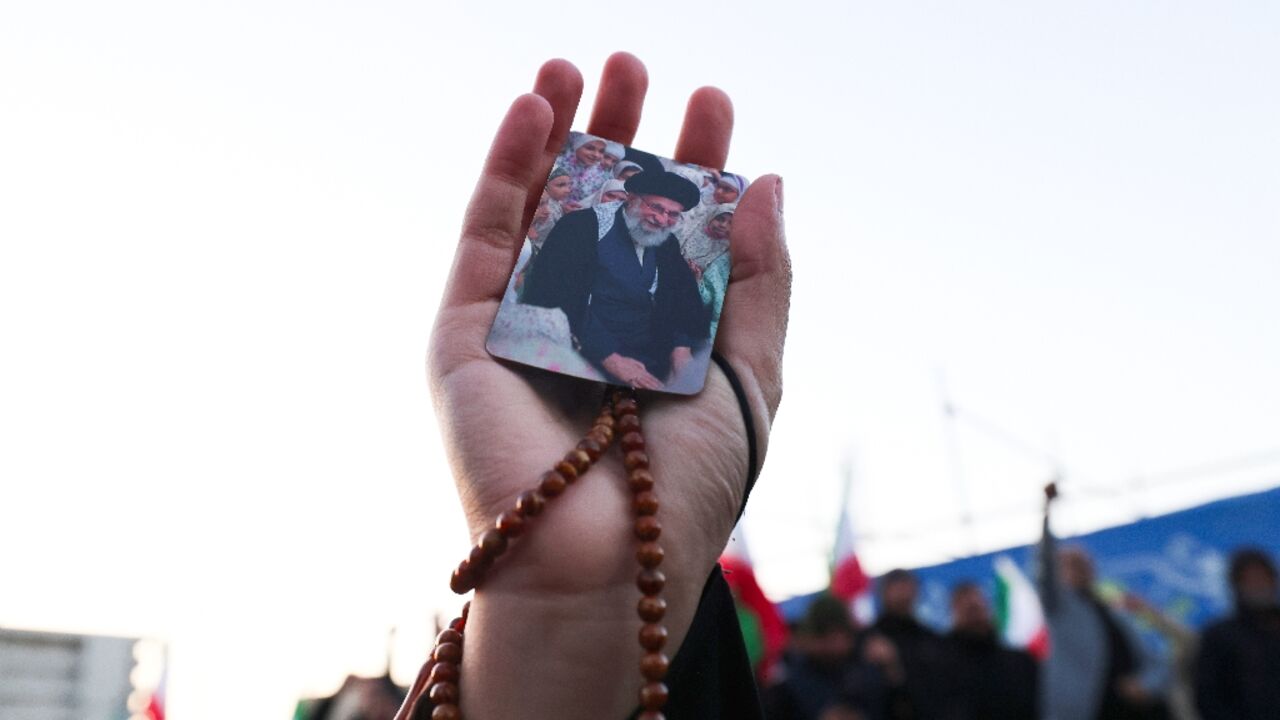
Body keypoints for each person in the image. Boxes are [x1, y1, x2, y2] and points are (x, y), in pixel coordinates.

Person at [424, 51, 789, 719]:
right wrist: (611, 359)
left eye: (668, 212)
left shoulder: (675, 263)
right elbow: (557, 306)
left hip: (642, 394)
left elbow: (682, 322)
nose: (657, 217)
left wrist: (678, 355)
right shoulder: (578, 236)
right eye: (650, 204)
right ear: (629, 201)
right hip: (574, 367)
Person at [521, 169, 712, 389]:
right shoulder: (581, 227)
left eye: (672, 214)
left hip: (649, 346)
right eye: (656, 207)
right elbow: (555, 295)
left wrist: (681, 349)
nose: (661, 220)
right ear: (631, 199)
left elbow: (680, 295)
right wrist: (610, 358)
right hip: (586, 346)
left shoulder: (667, 243)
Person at [1038, 483, 1164, 720]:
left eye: (1084, 563)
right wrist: (1046, 512)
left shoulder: (1115, 613)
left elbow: (1154, 663)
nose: (1081, 569)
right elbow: (1044, 566)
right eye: (1072, 564)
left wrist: (1145, 686)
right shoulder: (1060, 610)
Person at [1194, 547, 1280, 720]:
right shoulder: (1219, 636)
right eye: (1250, 579)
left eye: (1263, 577)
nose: (1259, 584)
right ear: (1236, 585)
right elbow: (1208, 697)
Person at [939, 581, 1039, 720]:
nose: (975, 615)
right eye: (968, 610)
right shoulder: (939, 665)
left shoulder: (1020, 662)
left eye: (978, 607)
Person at [868, 569, 949, 719]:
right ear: (883, 592)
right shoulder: (870, 639)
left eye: (906, 587)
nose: (903, 594)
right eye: (896, 588)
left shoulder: (931, 639)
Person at [680, 204, 735, 338]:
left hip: (692, 292)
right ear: (710, 218)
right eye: (720, 219)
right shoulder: (691, 229)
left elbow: (712, 291)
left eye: (731, 224)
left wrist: (697, 278)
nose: (723, 225)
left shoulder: (726, 253)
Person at [558, 132, 612, 207]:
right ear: (576, 146)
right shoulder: (557, 165)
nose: (596, 155)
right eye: (590, 148)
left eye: (601, 151)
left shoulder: (602, 176)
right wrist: (561, 206)